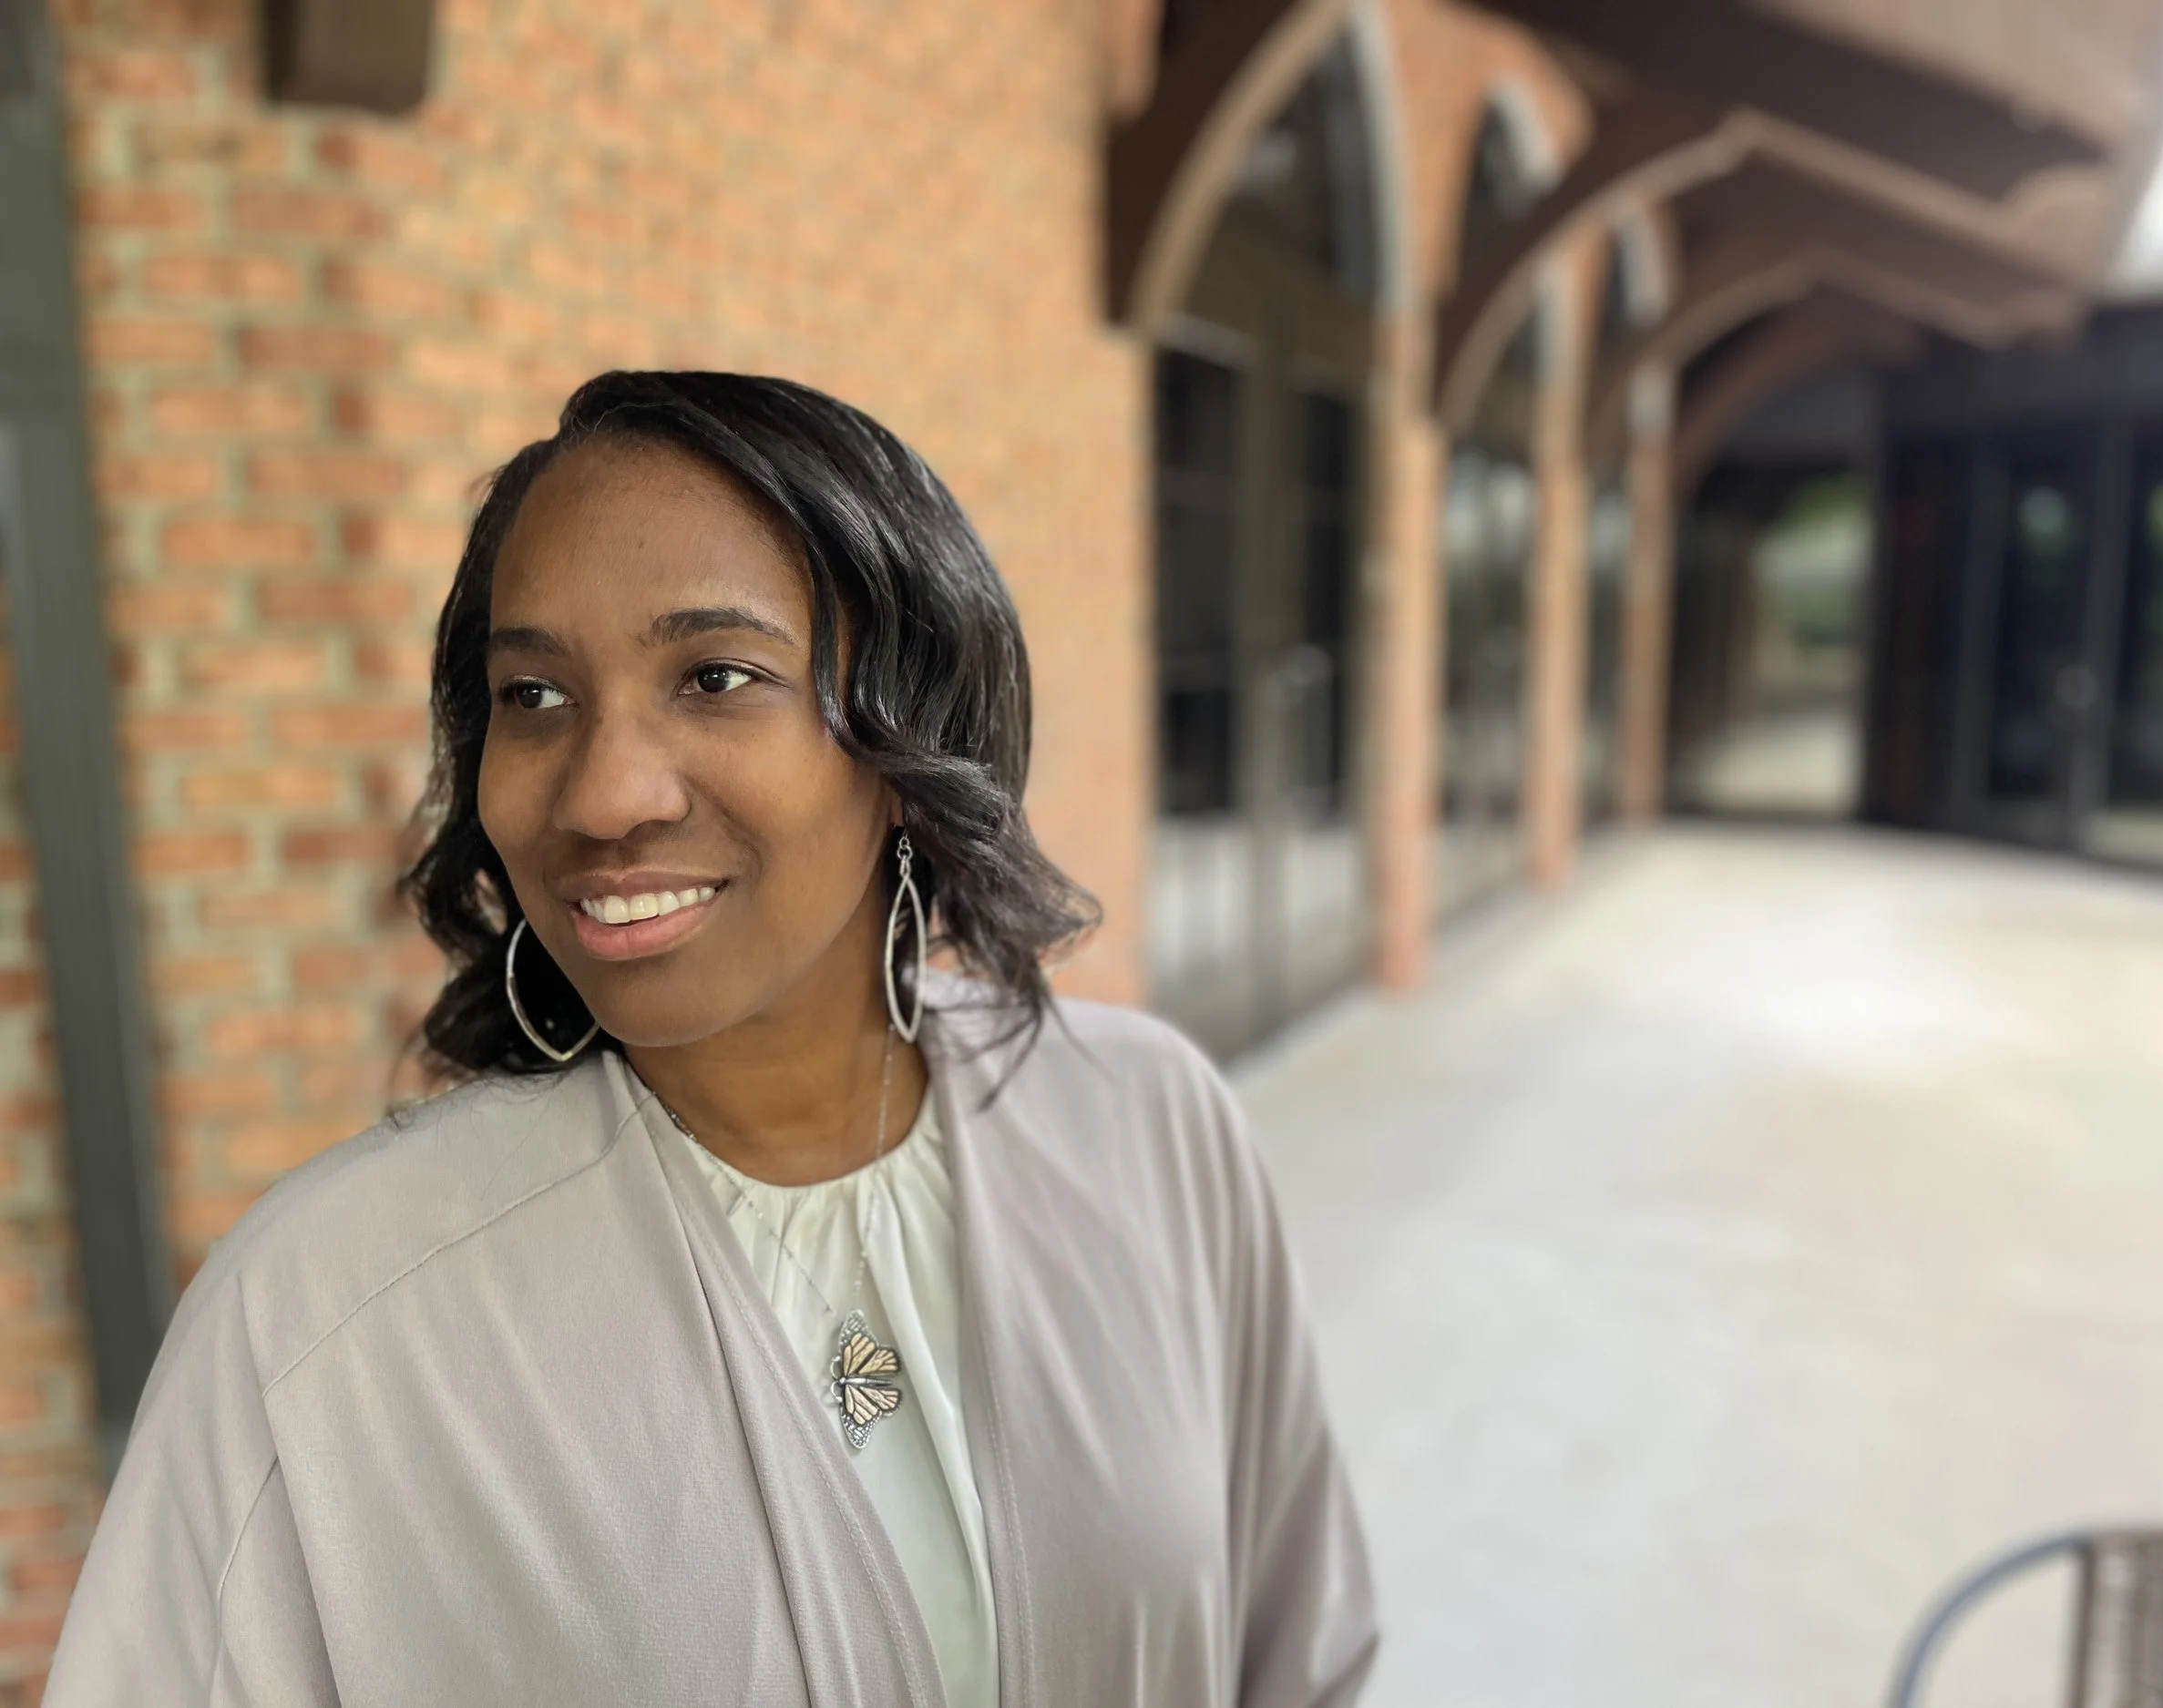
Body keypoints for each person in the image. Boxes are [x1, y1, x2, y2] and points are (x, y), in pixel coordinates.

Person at [46, 371, 1377, 1706]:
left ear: (909, 736)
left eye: (718, 675)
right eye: (536, 695)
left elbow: (1301, 1647)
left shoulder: (1147, 1125)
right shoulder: (322, 1316)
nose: (608, 793)